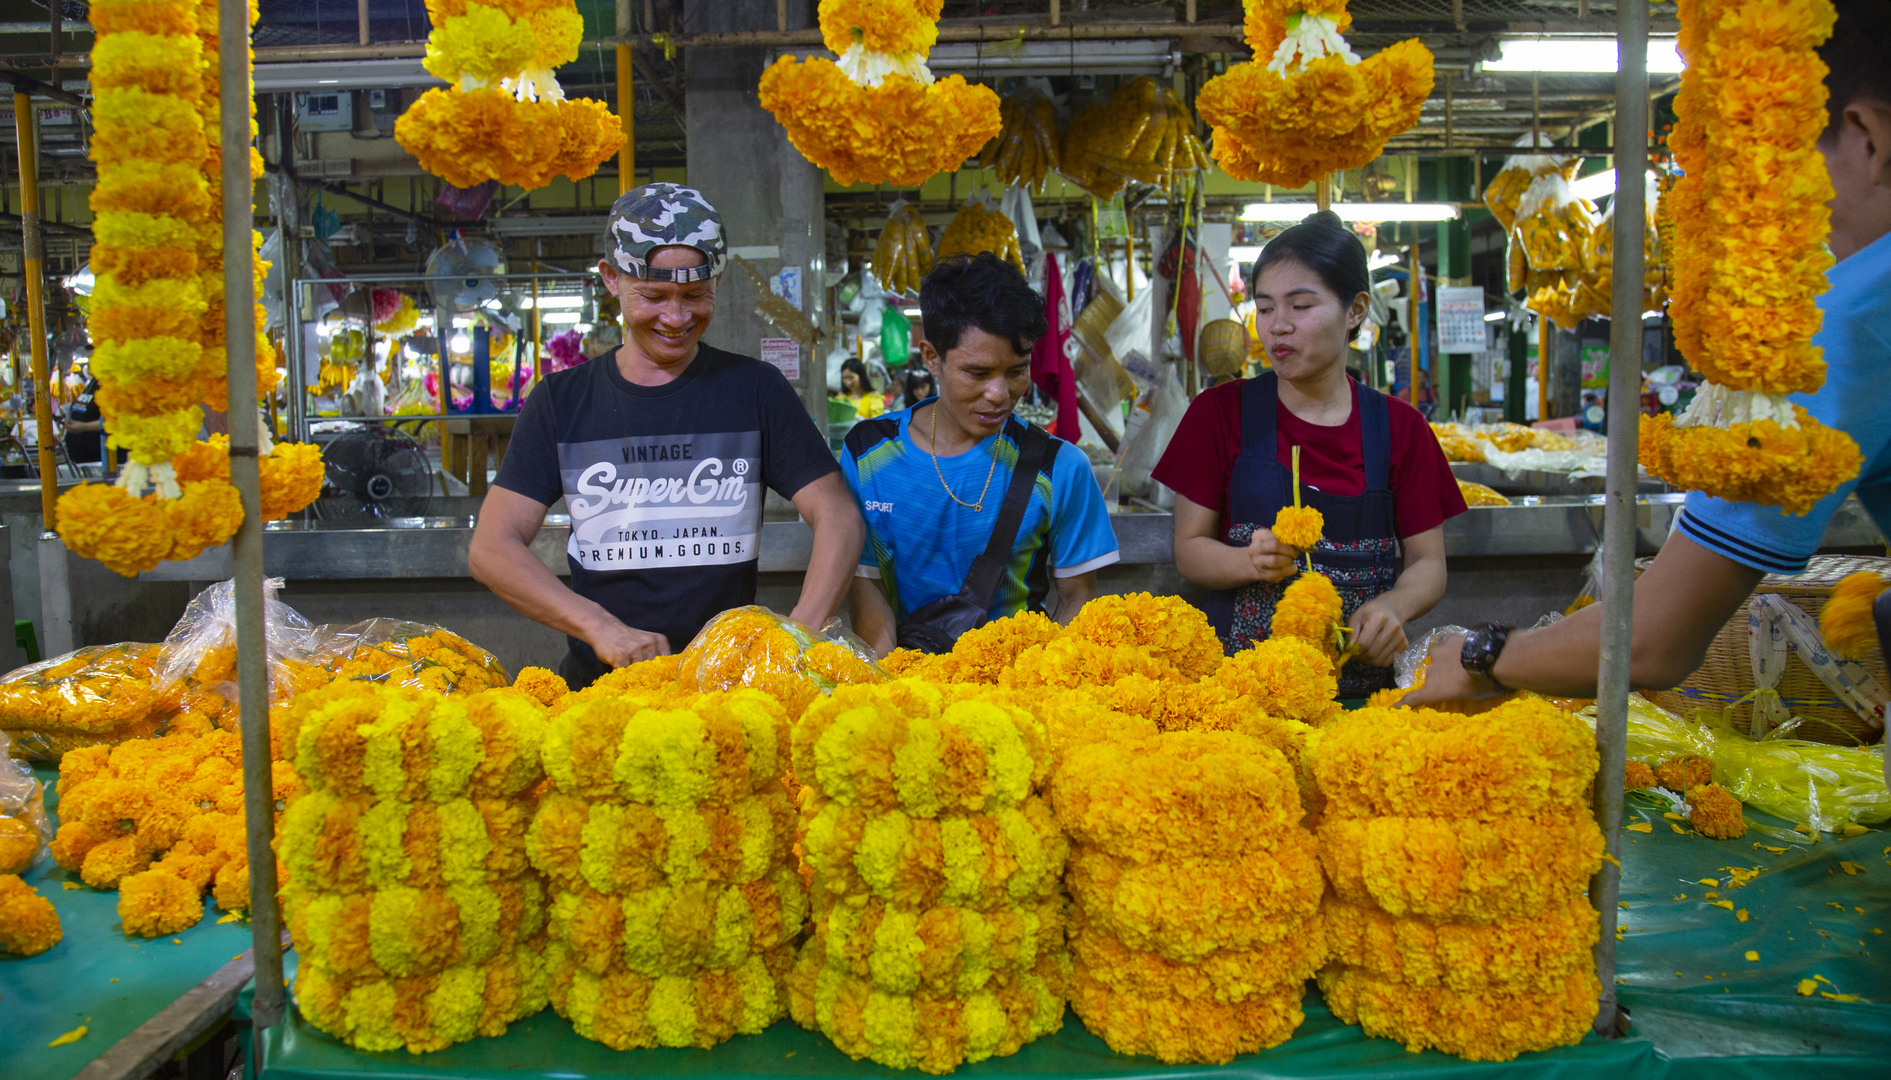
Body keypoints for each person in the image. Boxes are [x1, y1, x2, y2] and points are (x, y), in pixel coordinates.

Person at [1405, 0, 1891, 719]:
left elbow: (1653, 640)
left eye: (1782, 167)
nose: (1789, 214)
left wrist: (1482, 657)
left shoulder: (1854, 312)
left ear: (1866, 138)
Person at [469, 183, 865, 689]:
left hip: (729, 692)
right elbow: (491, 548)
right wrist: (599, 626)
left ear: (717, 281)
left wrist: (795, 637)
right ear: (611, 278)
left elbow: (839, 517)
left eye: (695, 296)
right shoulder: (561, 401)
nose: (676, 318)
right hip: (604, 691)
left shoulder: (755, 390)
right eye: (653, 296)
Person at [1153, 211, 1466, 696]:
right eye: (1265, 307)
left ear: (1356, 310)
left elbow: (1428, 563)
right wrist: (1249, 562)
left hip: (1361, 693)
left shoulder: (1402, 429)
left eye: (1300, 306)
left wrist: (1395, 606)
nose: (1277, 327)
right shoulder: (1217, 413)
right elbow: (1189, 551)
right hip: (1239, 694)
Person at [843, 252, 1120, 655]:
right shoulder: (868, 455)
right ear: (931, 357)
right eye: (977, 373)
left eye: (1015, 371)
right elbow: (866, 590)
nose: (999, 394)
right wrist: (894, 693)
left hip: (1019, 692)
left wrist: (1036, 681)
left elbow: (1078, 599)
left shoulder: (1059, 466)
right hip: (906, 685)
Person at [60, 369, 106, 472]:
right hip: (81, 459)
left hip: (99, 461)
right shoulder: (93, 383)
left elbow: (116, 422)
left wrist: (84, 427)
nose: (90, 364)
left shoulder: (114, 385)